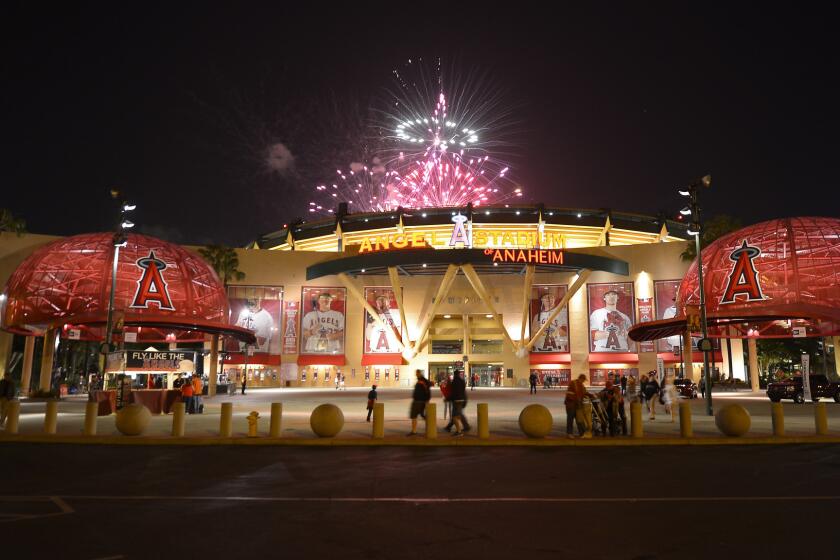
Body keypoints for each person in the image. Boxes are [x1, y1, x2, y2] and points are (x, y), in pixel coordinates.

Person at [567, 374, 594, 438]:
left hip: (578, 405)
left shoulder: (581, 385)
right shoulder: (573, 383)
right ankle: (569, 433)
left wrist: (591, 395)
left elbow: (584, 392)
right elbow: (569, 394)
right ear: (581, 378)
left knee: (579, 419)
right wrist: (576, 399)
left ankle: (582, 433)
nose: (584, 381)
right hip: (571, 405)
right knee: (570, 419)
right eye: (584, 380)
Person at [407, 370, 432, 436]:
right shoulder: (420, 381)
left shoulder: (423, 381)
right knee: (418, 416)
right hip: (417, 401)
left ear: (420, 374)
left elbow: (428, 392)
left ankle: (429, 429)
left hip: (419, 401)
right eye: (416, 373)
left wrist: (427, 401)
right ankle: (415, 431)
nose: (416, 374)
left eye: (417, 373)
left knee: (415, 415)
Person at [449, 369, 470, 436]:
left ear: (455, 375)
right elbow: (463, 391)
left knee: (455, 417)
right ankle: (466, 427)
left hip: (456, 400)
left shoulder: (454, 382)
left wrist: (448, 398)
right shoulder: (462, 381)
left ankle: (459, 431)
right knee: (459, 414)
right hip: (462, 400)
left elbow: (453, 392)